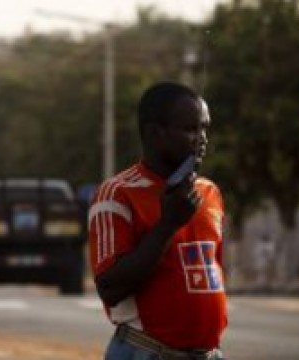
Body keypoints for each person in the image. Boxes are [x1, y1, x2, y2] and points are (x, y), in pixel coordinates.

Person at [88, 82, 227, 360]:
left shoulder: (209, 192)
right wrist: (167, 225)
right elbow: (110, 289)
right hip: (146, 352)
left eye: (205, 129)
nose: (202, 139)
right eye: (190, 129)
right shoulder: (117, 193)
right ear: (155, 133)